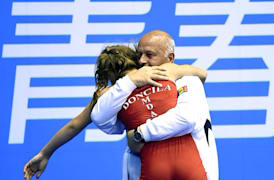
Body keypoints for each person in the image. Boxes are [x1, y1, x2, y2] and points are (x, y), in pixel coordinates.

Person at [23, 44, 209, 180]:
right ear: (135, 59)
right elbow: (201, 73)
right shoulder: (164, 70)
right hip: (186, 154)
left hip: (150, 159)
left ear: (107, 75)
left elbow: (74, 125)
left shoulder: (106, 94)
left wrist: (45, 153)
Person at [91, 30, 219, 180]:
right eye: (139, 54)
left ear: (169, 58)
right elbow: (99, 118)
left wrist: (140, 133)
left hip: (194, 169)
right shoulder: (129, 87)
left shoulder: (188, 80)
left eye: (149, 55)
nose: (142, 61)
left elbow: (186, 118)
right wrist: (129, 81)